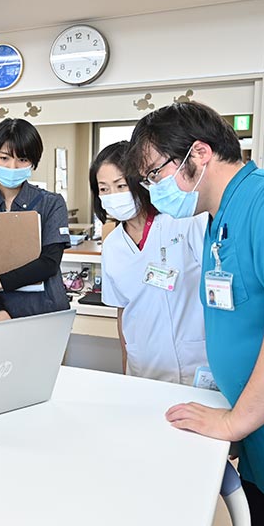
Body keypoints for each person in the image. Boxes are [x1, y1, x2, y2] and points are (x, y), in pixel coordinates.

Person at [127, 101, 264, 526]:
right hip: (262, 442)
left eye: (156, 173)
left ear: (199, 153)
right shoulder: (218, 220)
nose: (154, 188)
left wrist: (235, 420)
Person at [89, 141, 208, 384]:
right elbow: (122, 312)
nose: (113, 196)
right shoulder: (113, 246)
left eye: (121, 185)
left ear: (139, 182)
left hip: (195, 361)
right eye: (104, 189)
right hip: (142, 366)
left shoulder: (183, 223)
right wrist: (125, 366)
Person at [0, 118, 70, 324]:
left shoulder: (52, 204)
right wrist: (0, 313)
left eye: (23, 159)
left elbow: (49, 264)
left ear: (33, 162)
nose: (13, 166)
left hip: (43, 313)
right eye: (5, 157)